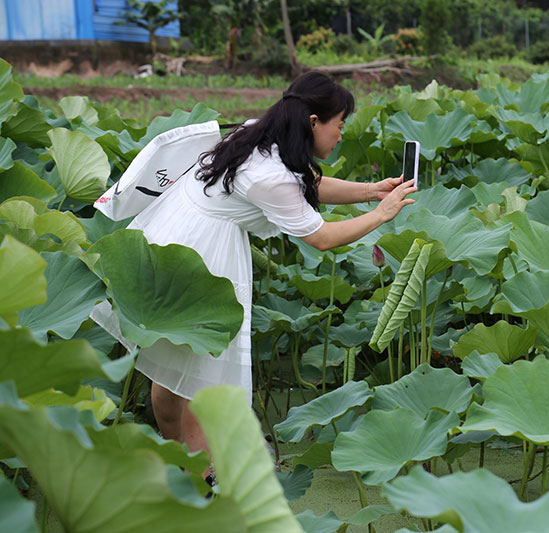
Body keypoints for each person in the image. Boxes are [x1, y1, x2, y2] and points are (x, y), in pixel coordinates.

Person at [125, 71, 416, 461]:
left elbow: (308, 183)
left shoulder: (257, 134)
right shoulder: (270, 178)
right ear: (314, 122)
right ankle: (206, 488)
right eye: (340, 125)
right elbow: (322, 238)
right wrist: (381, 214)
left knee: (173, 367)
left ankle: (177, 464)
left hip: (171, 237)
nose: (342, 134)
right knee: (201, 383)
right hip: (204, 256)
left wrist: (370, 191)